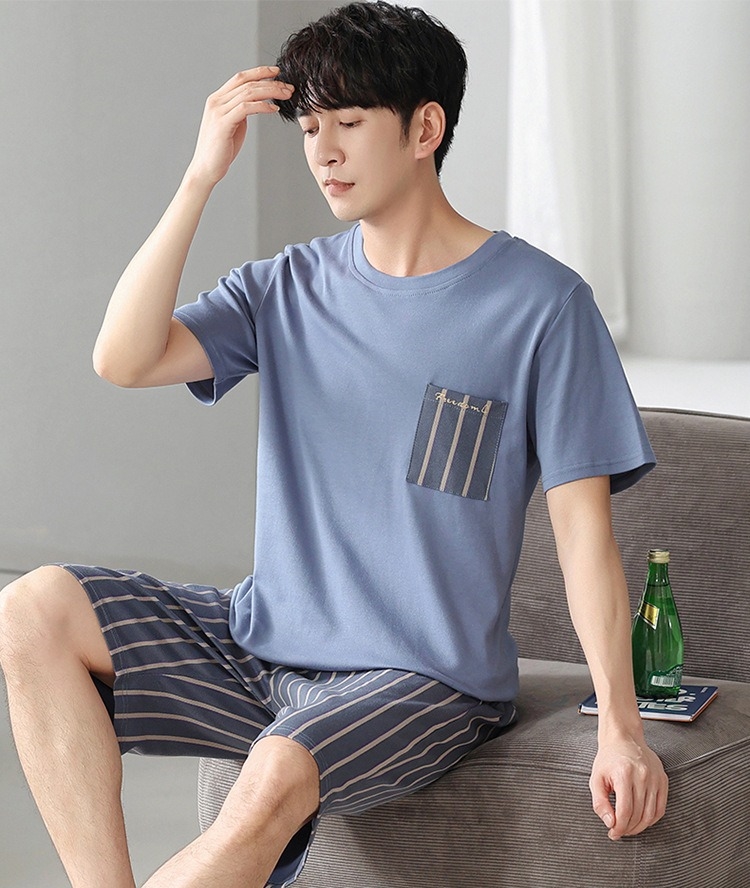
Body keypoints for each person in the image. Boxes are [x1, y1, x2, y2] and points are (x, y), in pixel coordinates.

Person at [0, 3, 668, 887]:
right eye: (310, 128)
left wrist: (622, 727)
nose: (323, 152)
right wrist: (199, 178)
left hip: (423, 680)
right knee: (32, 607)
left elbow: (584, 538)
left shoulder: (544, 306)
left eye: (348, 123)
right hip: (261, 642)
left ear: (425, 128)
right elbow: (122, 358)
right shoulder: (285, 288)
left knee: (278, 763)